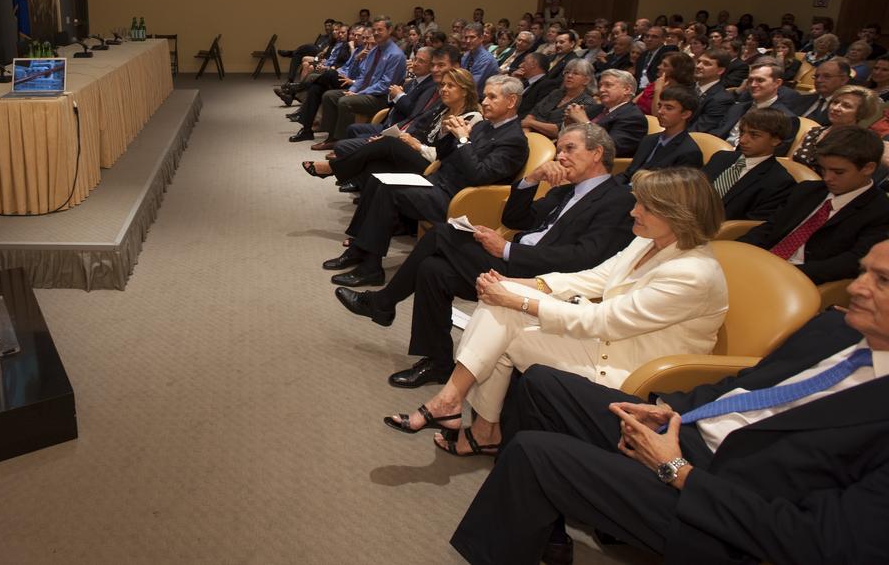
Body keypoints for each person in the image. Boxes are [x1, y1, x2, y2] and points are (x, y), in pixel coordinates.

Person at [452, 240, 889, 565]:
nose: (857, 287)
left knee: (534, 455)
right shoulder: (837, 332)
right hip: (691, 432)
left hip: (728, 502)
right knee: (546, 385)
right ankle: (548, 532)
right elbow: (746, 385)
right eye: (864, 271)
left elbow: (825, 543)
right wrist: (670, 407)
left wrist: (679, 472)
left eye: (881, 280)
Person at [382, 167, 727, 462]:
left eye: (645, 206)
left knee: (506, 311)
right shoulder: (650, 240)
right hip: (605, 340)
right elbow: (595, 278)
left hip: (633, 364)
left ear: (677, 215)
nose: (634, 211)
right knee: (502, 305)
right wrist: (517, 283)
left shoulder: (694, 273)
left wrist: (519, 299)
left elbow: (604, 319)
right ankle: (460, 410)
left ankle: (463, 413)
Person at [337, 124, 636, 388]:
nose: (561, 157)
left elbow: (583, 259)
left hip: (540, 280)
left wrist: (504, 249)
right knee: (433, 269)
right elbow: (518, 219)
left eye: (570, 149)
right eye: (559, 150)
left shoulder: (617, 199)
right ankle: (438, 362)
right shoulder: (566, 190)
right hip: (516, 257)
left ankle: (382, 303)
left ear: (597, 154)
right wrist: (532, 179)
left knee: (441, 234)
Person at [324, 76, 529, 287]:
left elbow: (479, 175)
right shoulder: (485, 126)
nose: (484, 102)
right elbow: (443, 154)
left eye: (492, 97)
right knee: (378, 180)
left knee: (388, 191)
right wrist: (447, 133)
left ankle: (370, 269)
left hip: (459, 198)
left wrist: (463, 139)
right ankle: (358, 249)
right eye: (485, 96)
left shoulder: (514, 140)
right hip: (438, 181)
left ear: (511, 101)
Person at [741, 126, 889, 283]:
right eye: (823, 169)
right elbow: (770, 228)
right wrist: (737, 250)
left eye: (838, 172)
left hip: (803, 281)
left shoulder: (880, 211)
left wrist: (783, 273)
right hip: (763, 262)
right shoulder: (807, 190)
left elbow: (851, 262)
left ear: (868, 168)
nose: (827, 178)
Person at [303, 68, 475, 190]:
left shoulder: (470, 118)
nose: (443, 90)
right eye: (442, 85)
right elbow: (418, 128)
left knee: (389, 145)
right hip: (416, 152)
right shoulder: (442, 109)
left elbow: (449, 157)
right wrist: (403, 138)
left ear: (465, 91)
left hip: (435, 167)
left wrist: (417, 146)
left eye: (450, 86)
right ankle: (363, 231)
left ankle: (334, 168)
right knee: (375, 164)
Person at [310, 16, 408, 149]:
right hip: (366, 92)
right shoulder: (374, 50)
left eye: (380, 29)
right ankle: (331, 137)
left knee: (346, 101)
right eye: (374, 30)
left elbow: (385, 85)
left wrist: (359, 93)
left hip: (381, 97)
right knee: (329, 95)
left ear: (390, 30)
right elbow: (364, 75)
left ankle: (341, 141)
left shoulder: (395, 55)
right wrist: (354, 89)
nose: (376, 33)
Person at [702, 107, 796, 221]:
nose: (742, 140)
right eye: (742, 132)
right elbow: (693, 189)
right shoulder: (721, 157)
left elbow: (749, 224)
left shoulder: (779, 182)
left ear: (775, 140)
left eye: (754, 135)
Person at [792, 85, 885, 170]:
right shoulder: (813, 131)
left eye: (846, 106)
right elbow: (790, 161)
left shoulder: (859, 144)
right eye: (835, 102)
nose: (836, 108)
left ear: (860, 113)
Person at [621, 86, 702, 182]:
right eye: (660, 106)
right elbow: (629, 173)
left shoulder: (689, 152)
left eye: (668, 108)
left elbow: (674, 190)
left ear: (685, 114)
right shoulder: (648, 139)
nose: (660, 112)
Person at [562, 68, 647, 157]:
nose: (601, 90)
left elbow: (610, 149)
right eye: (600, 86)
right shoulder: (595, 109)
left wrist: (584, 122)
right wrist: (569, 124)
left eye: (608, 85)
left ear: (626, 89)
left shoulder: (633, 117)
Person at [711, 63, 798, 149]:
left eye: (760, 80)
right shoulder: (737, 108)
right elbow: (717, 134)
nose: (753, 85)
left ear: (777, 83)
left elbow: (775, 154)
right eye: (750, 80)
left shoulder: (786, 118)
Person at [522, 58, 598, 140]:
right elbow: (533, 113)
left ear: (586, 80)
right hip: (528, 134)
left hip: (551, 143)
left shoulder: (587, 103)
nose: (569, 76)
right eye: (567, 72)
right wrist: (526, 134)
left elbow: (559, 130)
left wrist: (531, 123)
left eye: (575, 73)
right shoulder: (556, 93)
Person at [793, 57, 854, 124]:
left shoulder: (845, 109)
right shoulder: (803, 99)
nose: (818, 80)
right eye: (816, 76)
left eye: (827, 76)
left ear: (843, 80)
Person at [634, 51, 694, 116]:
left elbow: (657, 114)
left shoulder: (679, 92)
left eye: (665, 65)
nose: (659, 67)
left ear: (677, 70)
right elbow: (634, 102)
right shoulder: (658, 81)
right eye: (661, 63)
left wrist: (658, 90)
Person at [690, 49, 735, 133]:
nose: (698, 66)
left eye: (706, 64)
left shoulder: (721, 99)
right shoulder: (686, 87)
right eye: (698, 61)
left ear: (720, 70)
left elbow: (699, 130)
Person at [458, 22, 499, 90]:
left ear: (481, 38)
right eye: (466, 37)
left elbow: (472, 85)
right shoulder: (466, 55)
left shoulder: (486, 59)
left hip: (483, 98)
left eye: (472, 37)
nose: (468, 41)